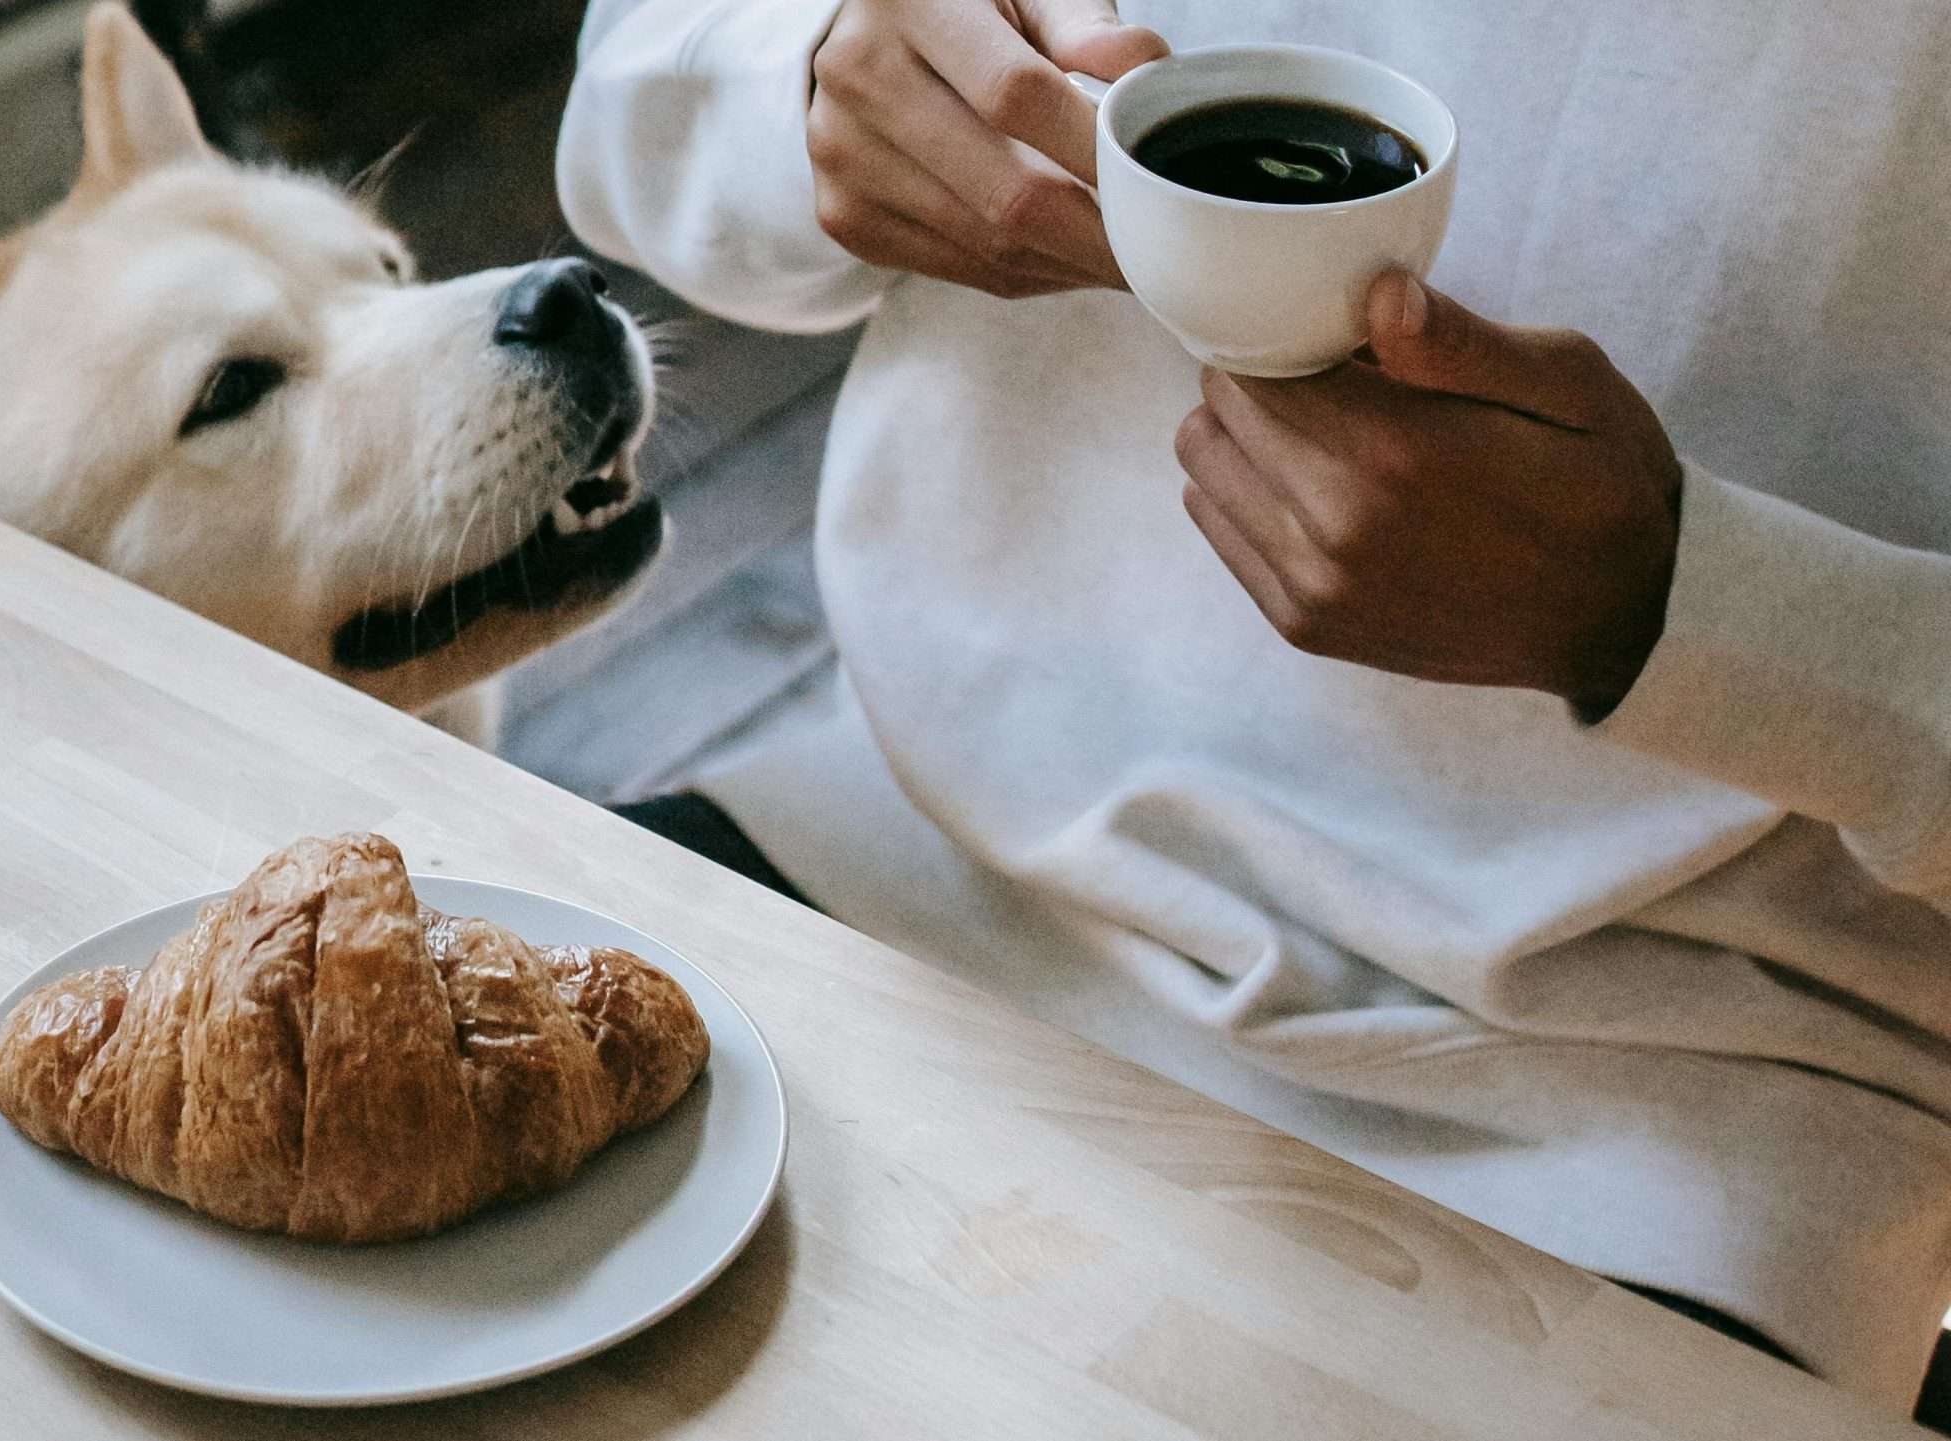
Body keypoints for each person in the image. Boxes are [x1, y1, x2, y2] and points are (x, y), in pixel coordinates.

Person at [558, 0, 1951, 1411]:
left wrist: (1697, 613)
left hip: (1698, 1112)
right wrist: (805, 77)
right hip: (908, 861)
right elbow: (631, 84)